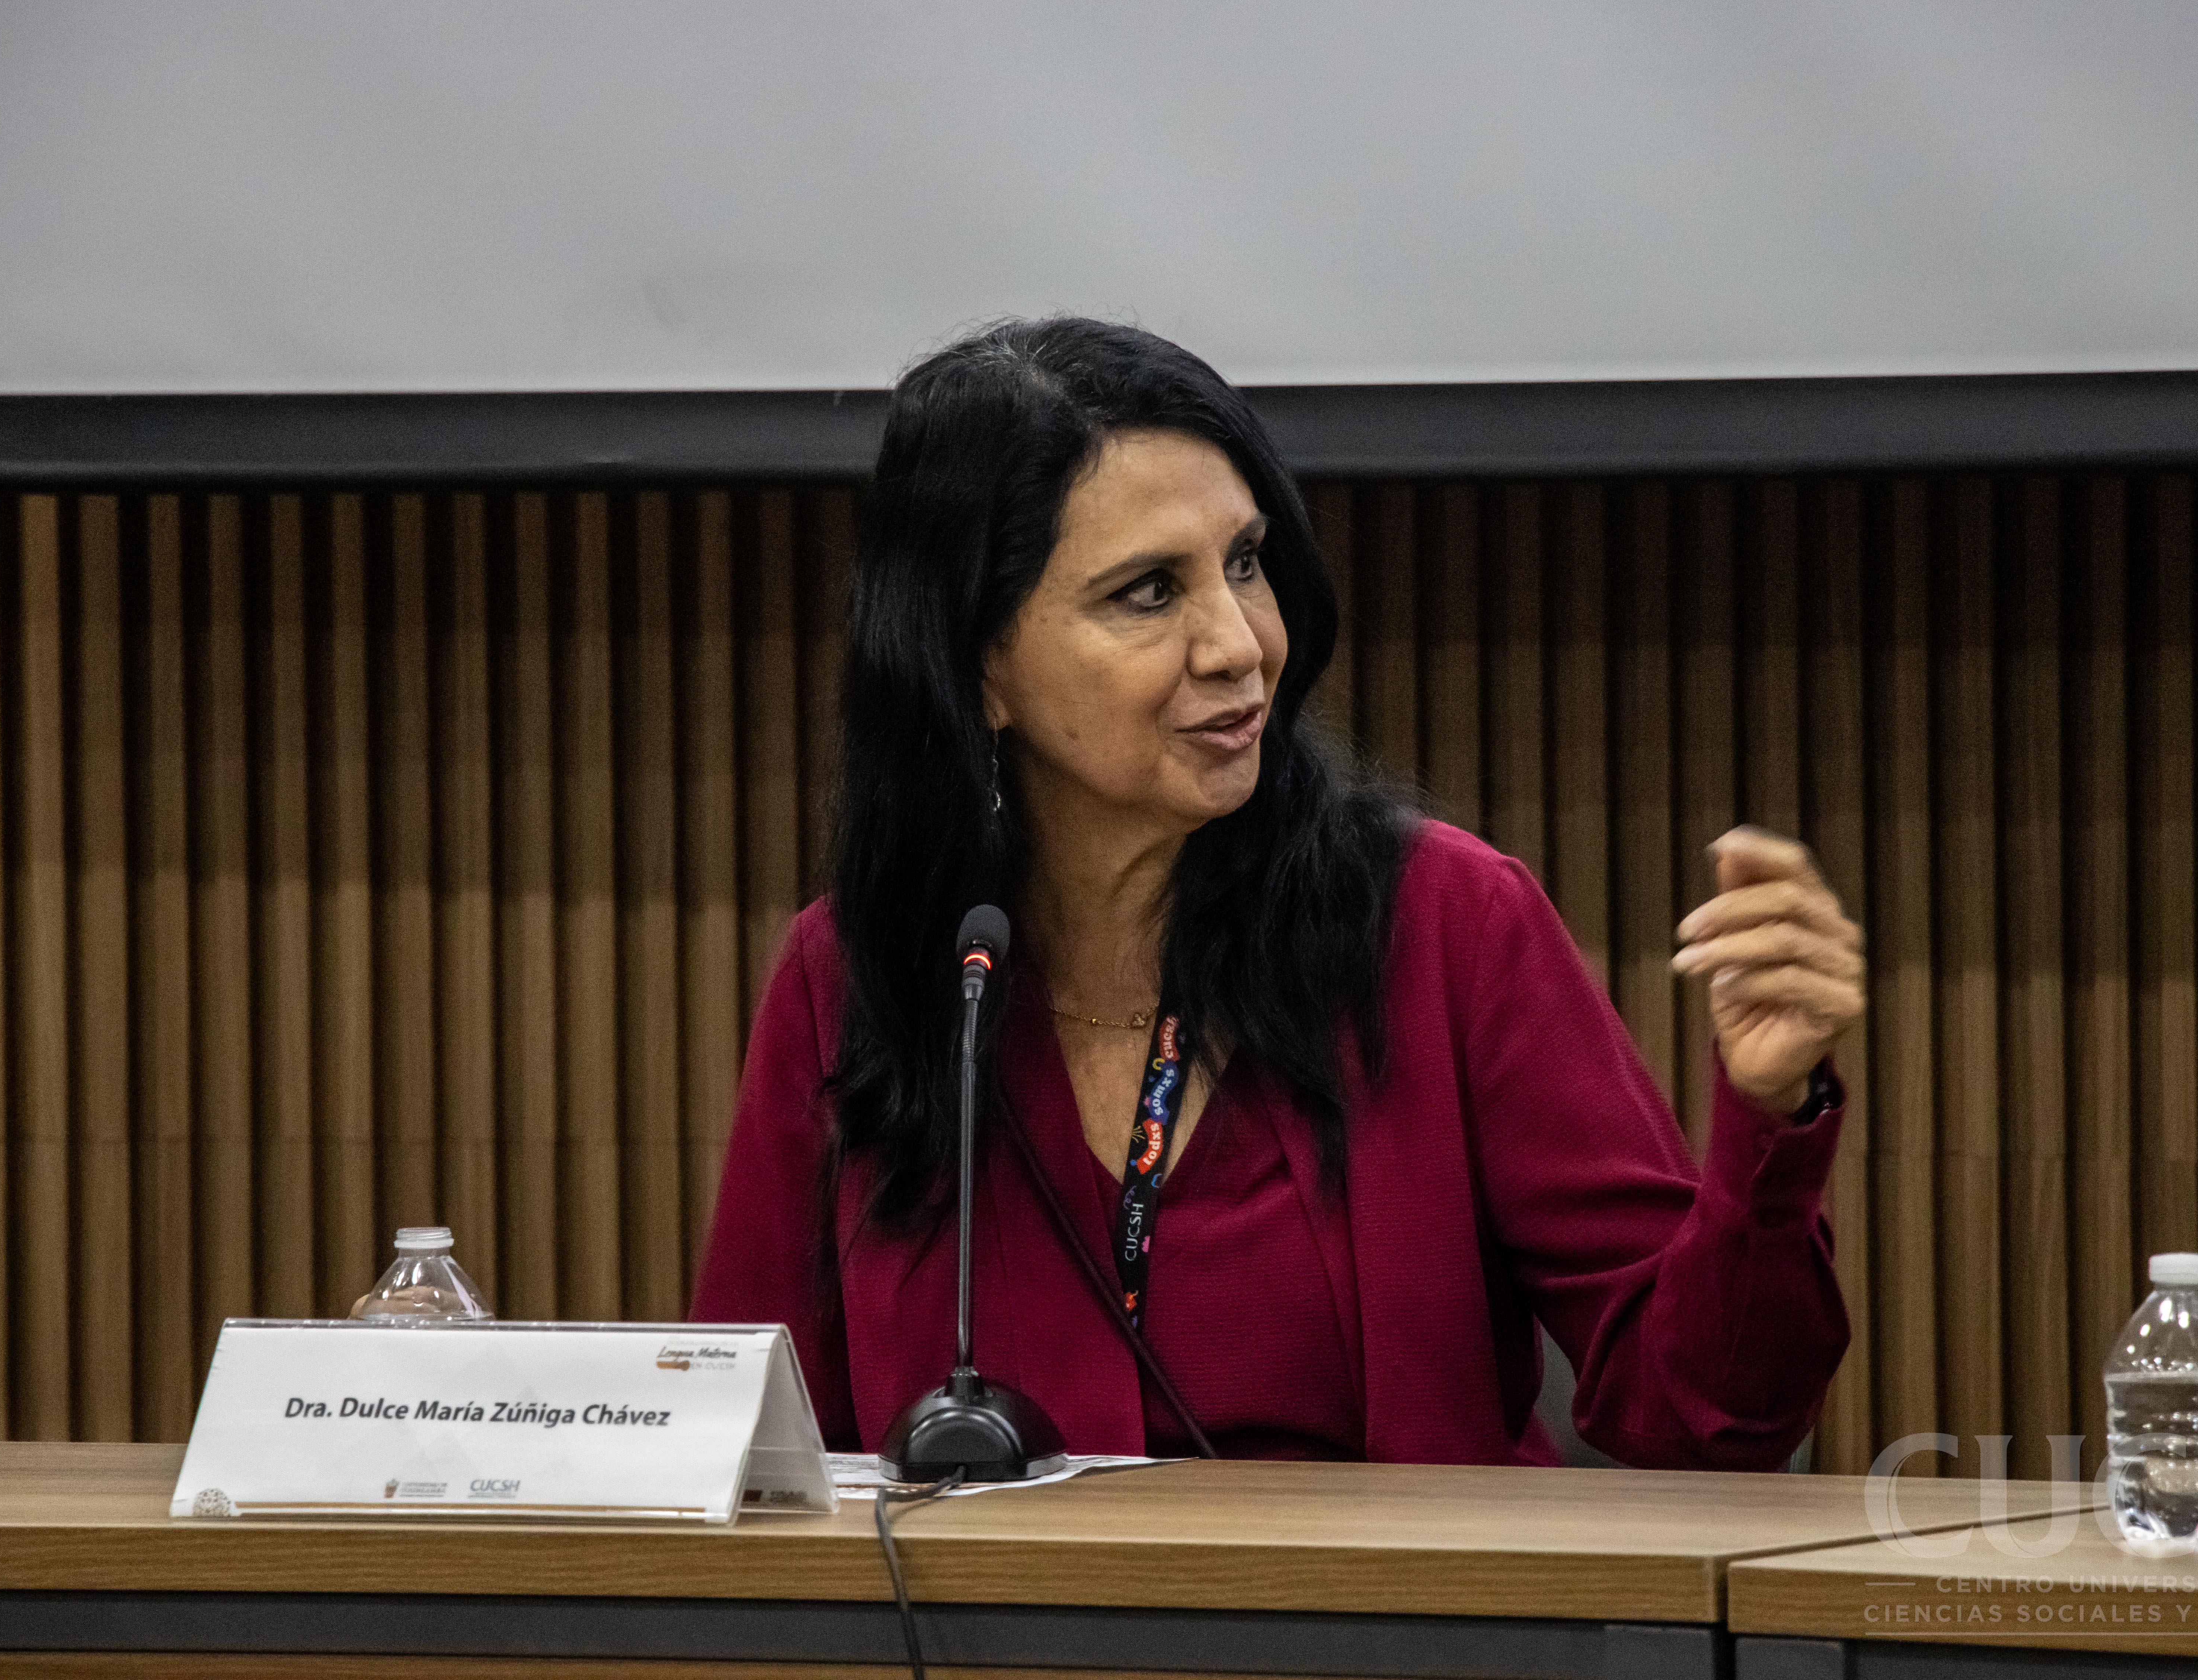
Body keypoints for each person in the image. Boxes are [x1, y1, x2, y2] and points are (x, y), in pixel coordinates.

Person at [689, 317, 1862, 1468]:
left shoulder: (1444, 922)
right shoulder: (859, 976)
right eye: (1149, 592)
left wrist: (1770, 1115)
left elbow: (1701, 1414)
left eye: (1245, 563)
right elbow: (743, 1454)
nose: (1240, 643)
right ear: (977, 664)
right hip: (976, 1609)